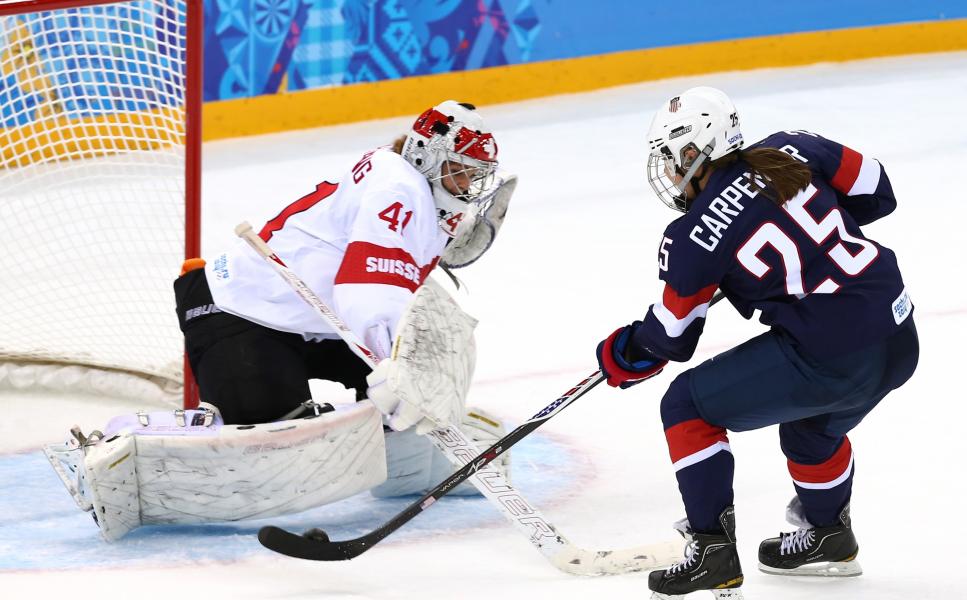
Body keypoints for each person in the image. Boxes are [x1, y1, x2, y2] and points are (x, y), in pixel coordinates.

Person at [594, 87, 919, 599]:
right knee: (811, 430)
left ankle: (712, 553)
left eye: (674, 159)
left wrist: (623, 353)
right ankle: (830, 536)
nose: (672, 174)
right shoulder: (795, 147)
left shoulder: (694, 233)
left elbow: (672, 337)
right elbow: (878, 190)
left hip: (832, 356)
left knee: (685, 406)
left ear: (695, 151)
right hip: (899, 335)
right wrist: (808, 246)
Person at [173, 99, 510, 492]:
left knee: (426, 349)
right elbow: (367, 288)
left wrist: (410, 369)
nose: (467, 185)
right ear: (426, 155)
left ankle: (407, 457)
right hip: (237, 311)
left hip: (317, 322)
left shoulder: (414, 184)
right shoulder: (398, 188)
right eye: (459, 170)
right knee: (279, 456)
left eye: (474, 175)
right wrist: (393, 365)